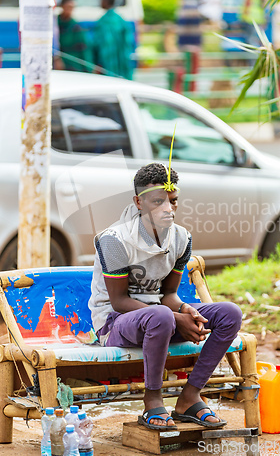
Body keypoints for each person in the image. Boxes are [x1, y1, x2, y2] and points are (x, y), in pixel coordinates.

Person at [88, 162, 242, 430]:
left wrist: (185, 310)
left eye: (173, 201)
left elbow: (168, 293)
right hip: (115, 323)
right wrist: (172, 316)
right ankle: (153, 401)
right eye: (158, 201)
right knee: (161, 316)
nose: (168, 209)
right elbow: (119, 301)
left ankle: (190, 397)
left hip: (160, 317)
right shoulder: (113, 239)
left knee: (230, 313)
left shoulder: (181, 238)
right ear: (138, 202)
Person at [93, 0, 135, 80]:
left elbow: (97, 44)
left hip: (108, 64)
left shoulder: (103, 22)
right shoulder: (121, 20)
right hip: (122, 63)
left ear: (106, 1)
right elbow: (129, 42)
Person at [57, 0, 93, 72]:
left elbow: (84, 49)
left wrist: (89, 69)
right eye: (68, 7)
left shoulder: (76, 27)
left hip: (74, 66)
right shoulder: (55, 24)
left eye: (72, 8)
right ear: (62, 6)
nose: (70, 10)